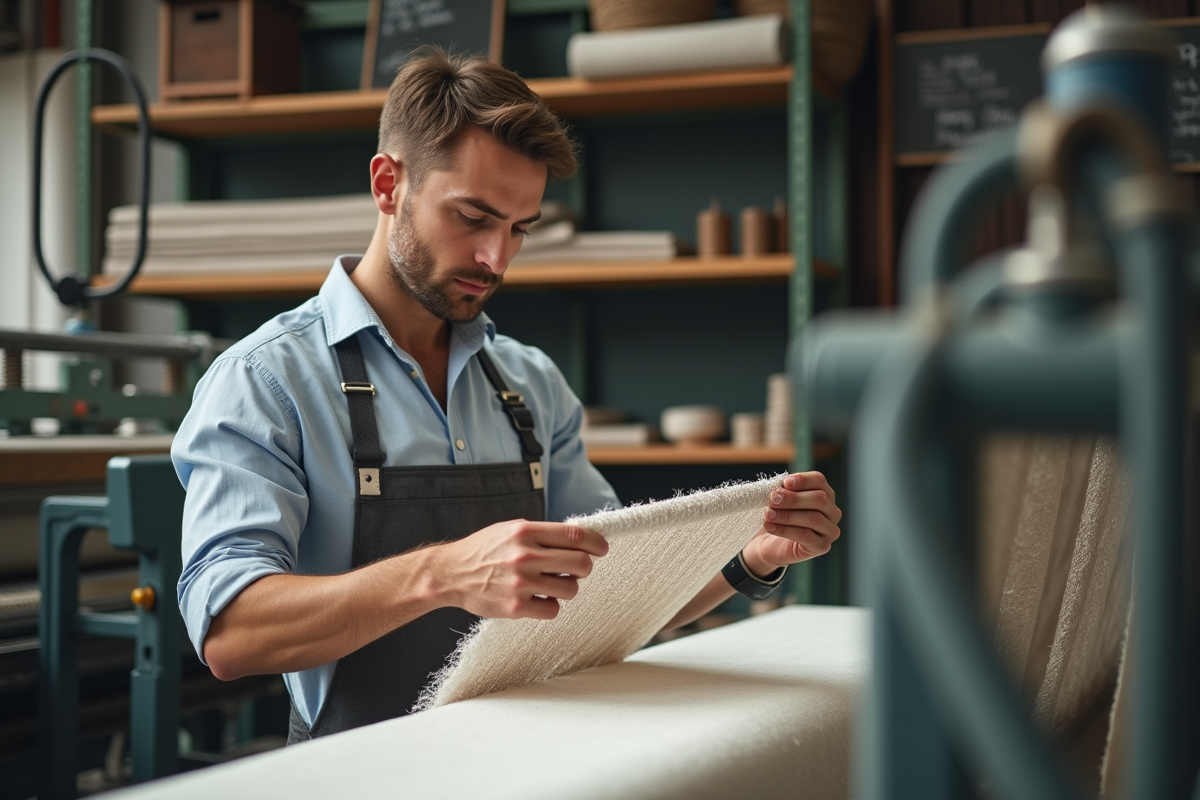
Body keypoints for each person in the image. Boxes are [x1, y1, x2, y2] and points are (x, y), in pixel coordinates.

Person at [172, 48, 843, 743]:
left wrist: (752, 559)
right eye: (472, 216)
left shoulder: (529, 383)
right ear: (387, 184)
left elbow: (617, 596)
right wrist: (441, 573)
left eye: (519, 228)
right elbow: (229, 631)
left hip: (524, 761)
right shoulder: (268, 381)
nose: (497, 258)